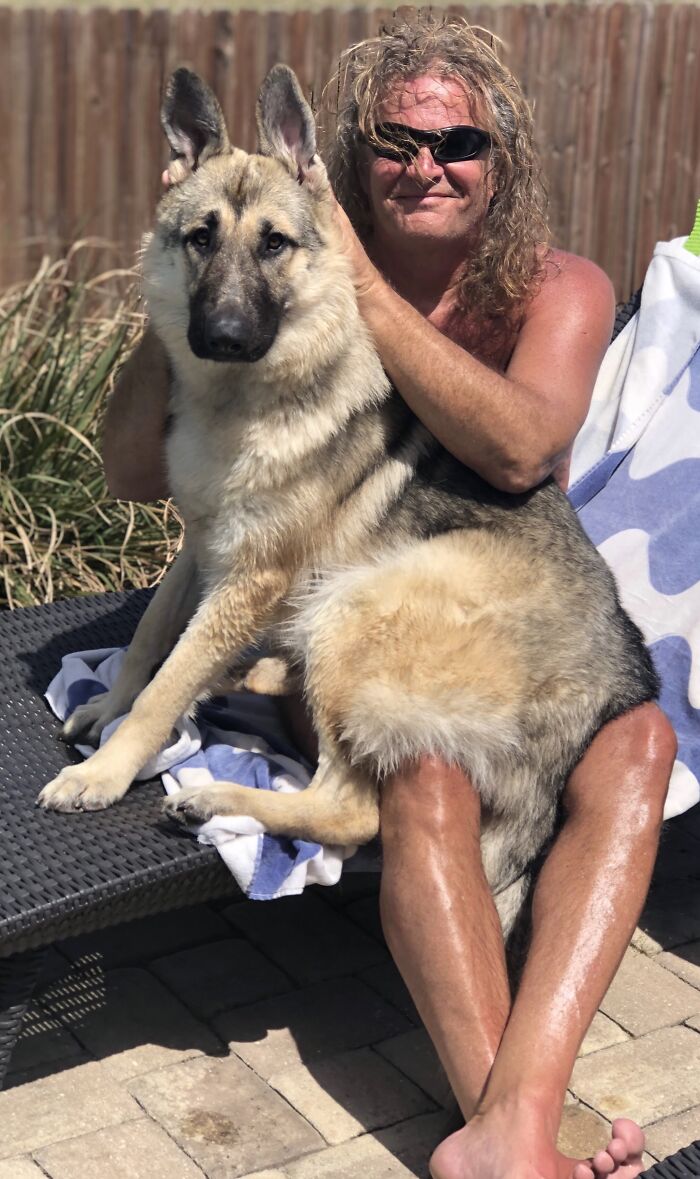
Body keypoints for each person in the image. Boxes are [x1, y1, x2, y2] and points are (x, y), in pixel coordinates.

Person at [102, 15, 676, 1179]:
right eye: (396, 141)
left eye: (460, 142)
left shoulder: (553, 286)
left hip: (489, 599)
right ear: (348, 154)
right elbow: (131, 475)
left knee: (644, 739)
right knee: (423, 763)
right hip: (355, 614)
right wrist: (199, 300)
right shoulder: (279, 257)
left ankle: (517, 1109)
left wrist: (359, 281)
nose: (428, 165)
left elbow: (519, 454)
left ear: (498, 161)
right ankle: (513, 1132)